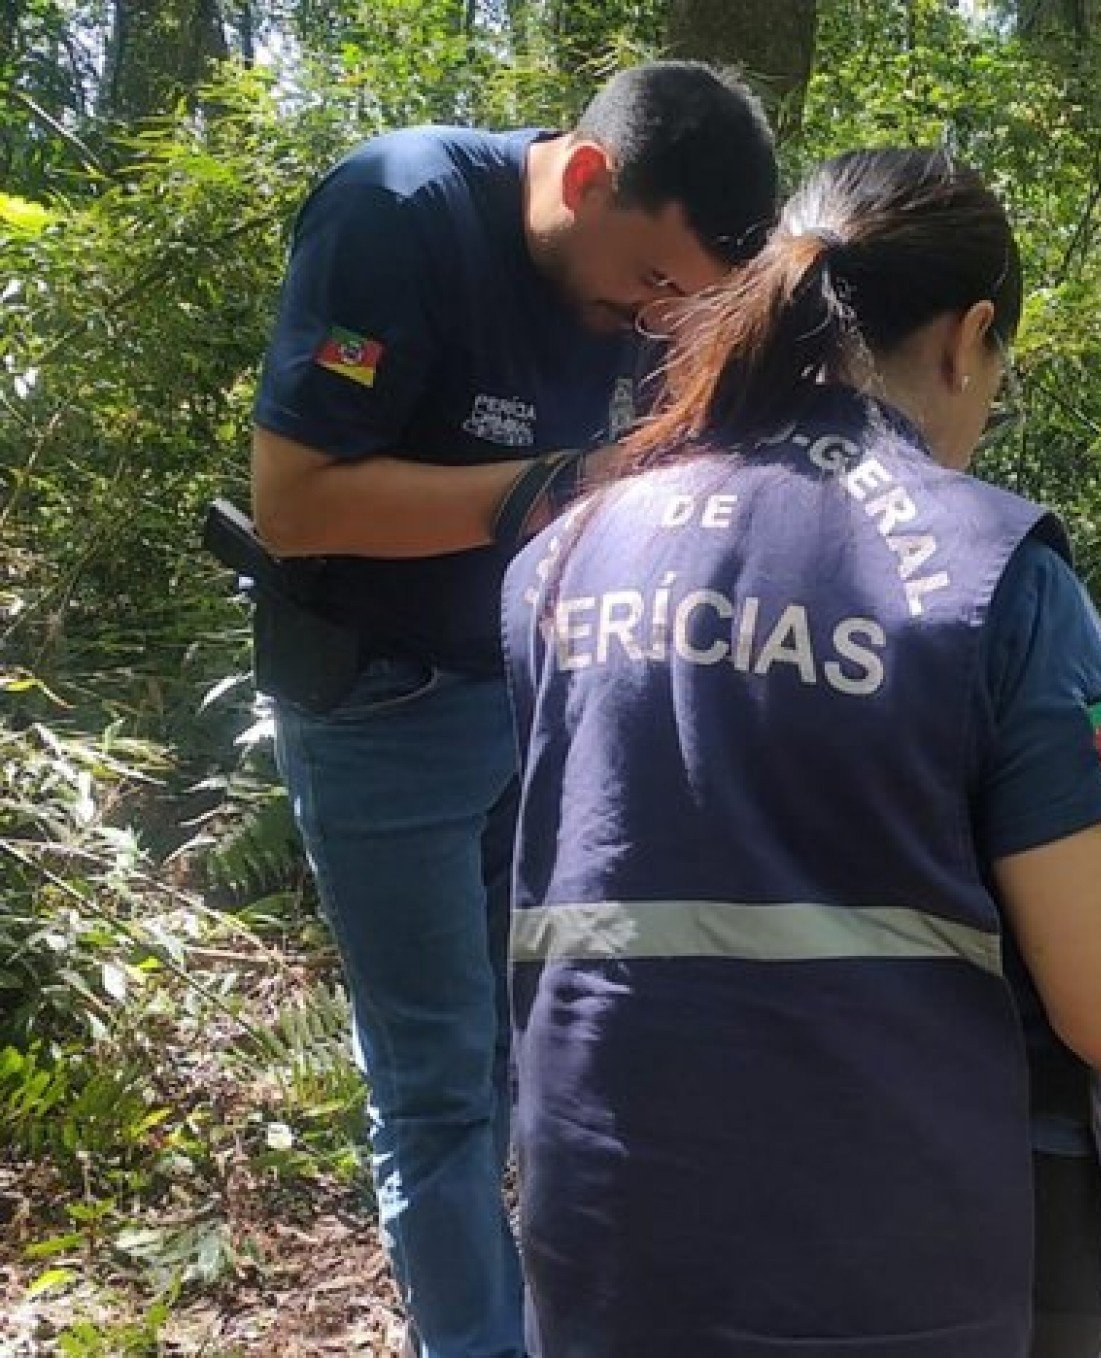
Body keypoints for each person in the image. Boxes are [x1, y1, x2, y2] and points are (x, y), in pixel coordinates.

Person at [501, 147, 1101, 1358]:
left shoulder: (564, 555)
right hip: (900, 1279)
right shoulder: (994, 573)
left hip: (603, 1252)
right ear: (968, 338)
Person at [247, 62, 778, 1358]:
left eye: (690, 305)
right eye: (653, 284)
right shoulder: (400, 211)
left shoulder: (647, 287)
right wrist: (561, 484)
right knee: (436, 1084)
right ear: (586, 176)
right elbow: (295, 499)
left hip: (538, 701)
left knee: (532, 1052)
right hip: (381, 701)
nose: (656, 321)